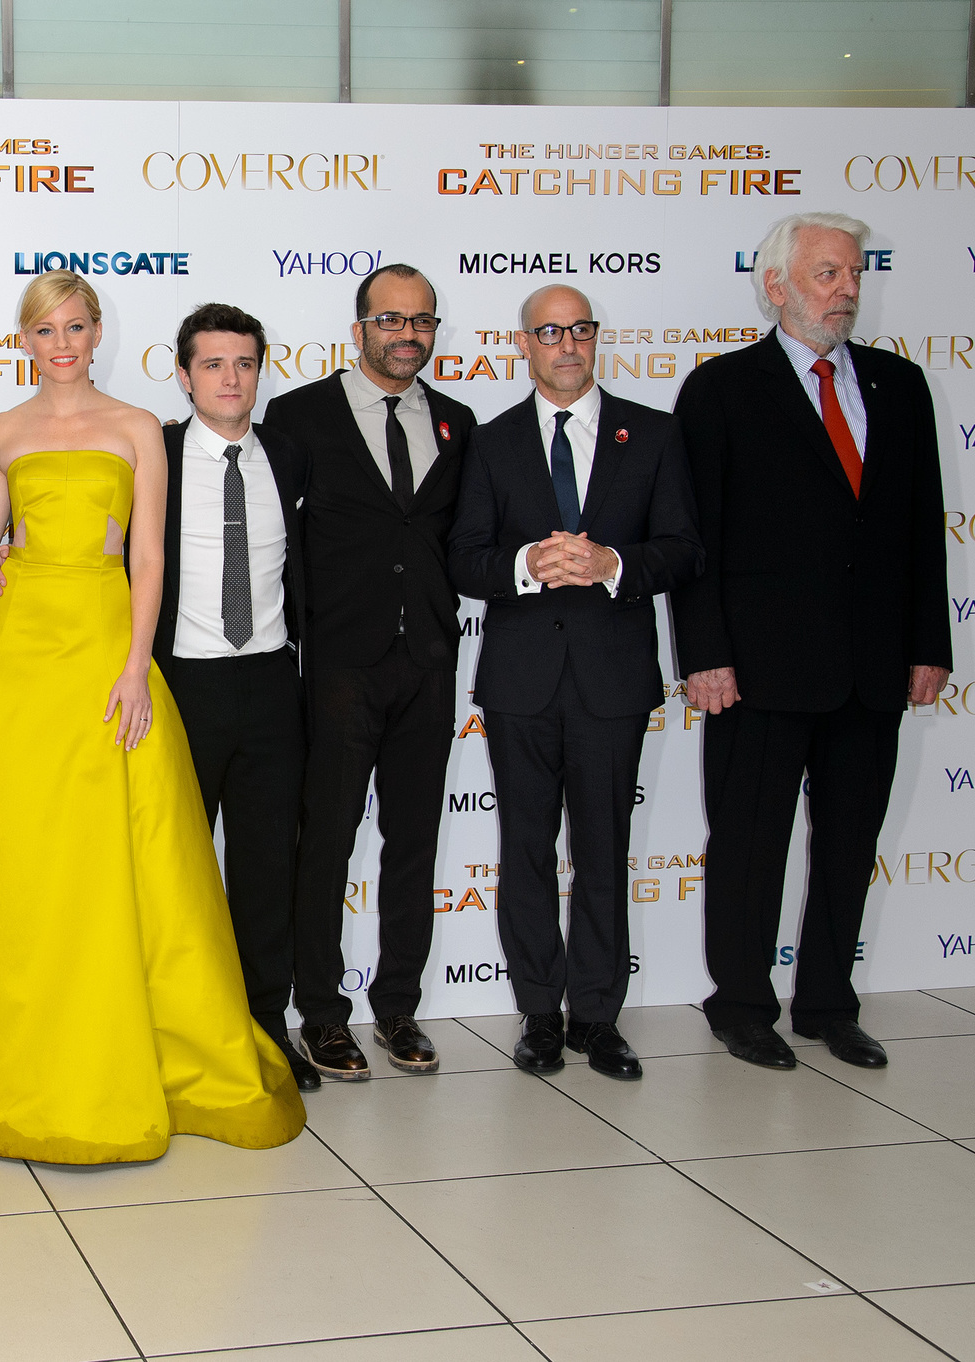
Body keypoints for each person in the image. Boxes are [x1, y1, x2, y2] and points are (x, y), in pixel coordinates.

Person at [0, 270, 304, 1163]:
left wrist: (136, 668)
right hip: (13, 661)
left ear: (99, 336)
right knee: (16, 857)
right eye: (45, 329)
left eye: (77, 327)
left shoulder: (137, 428)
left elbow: (150, 560)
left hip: (101, 653)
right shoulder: (2, 431)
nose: (61, 344)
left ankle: (120, 1037)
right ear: (24, 340)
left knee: (108, 859)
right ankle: (14, 1037)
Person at [671, 211, 952, 1072]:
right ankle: (743, 1003)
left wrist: (929, 645)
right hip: (757, 670)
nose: (848, 290)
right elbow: (696, 541)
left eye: (855, 274)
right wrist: (703, 656)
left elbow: (920, 529)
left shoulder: (901, 387)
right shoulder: (721, 389)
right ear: (777, 285)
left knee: (848, 842)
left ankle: (828, 1002)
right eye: (828, 274)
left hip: (872, 669)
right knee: (749, 844)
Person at [448, 284, 703, 1081]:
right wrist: (526, 565)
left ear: (596, 338)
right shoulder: (491, 444)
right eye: (549, 332)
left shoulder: (654, 434)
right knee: (525, 851)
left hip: (612, 681)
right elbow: (464, 560)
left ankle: (596, 1018)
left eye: (580, 330)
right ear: (522, 344)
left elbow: (684, 548)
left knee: (603, 851)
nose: (567, 345)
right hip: (522, 683)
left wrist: (613, 565)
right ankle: (538, 1016)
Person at [261, 264, 477, 1080]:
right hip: (337, 663)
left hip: (428, 661)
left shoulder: (458, 423)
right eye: (390, 320)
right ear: (359, 330)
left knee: (413, 844)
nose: (407, 334)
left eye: (421, 321)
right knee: (324, 844)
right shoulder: (297, 416)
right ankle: (321, 1012)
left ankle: (398, 1007)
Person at [152, 303, 320, 1094]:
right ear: (184, 375)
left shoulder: (290, 454)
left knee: (264, 872)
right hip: (178, 683)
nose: (230, 377)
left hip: (267, 682)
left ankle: (263, 1029)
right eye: (213, 364)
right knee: (172, 874)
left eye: (245, 363)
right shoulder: (149, 453)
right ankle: (172, 1033)